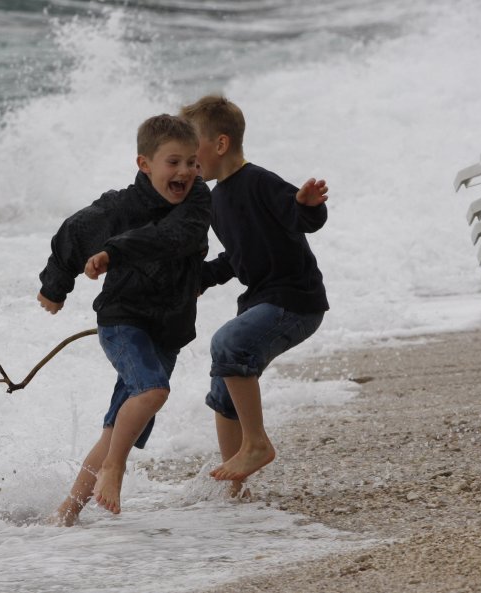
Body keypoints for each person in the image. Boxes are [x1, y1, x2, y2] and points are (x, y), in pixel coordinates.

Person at [37, 114, 211, 526]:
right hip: (123, 320)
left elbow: (174, 238)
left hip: (167, 332)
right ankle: (115, 468)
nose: (185, 172)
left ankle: (66, 514)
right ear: (144, 164)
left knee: (116, 430)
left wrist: (114, 253)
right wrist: (55, 285)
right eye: (173, 162)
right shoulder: (120, 206)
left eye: (192, 162)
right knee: (152, 391)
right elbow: (74, 232)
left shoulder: (199, 201)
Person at [178, 94, 329, 498]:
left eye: (194, 152)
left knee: (228, 343)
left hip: (296, 300)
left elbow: (299, 216)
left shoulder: (259, 180)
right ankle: (236, 489)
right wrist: (199, 279)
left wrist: (309, 205)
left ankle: (257, 444)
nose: (189, 163)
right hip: (265, 300)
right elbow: (236, 257)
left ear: (221, 144)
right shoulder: (216, 199)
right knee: (223, 388)